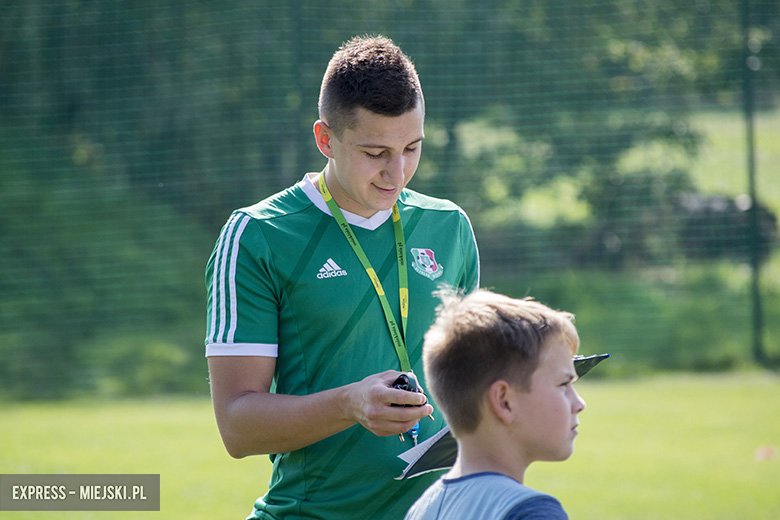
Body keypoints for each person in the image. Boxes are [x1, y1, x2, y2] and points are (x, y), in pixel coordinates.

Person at [205, 35, 480, 520]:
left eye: (412, 148)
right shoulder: (257, 235)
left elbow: (471, 381)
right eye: (376, 153)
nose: (397, 174)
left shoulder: (450, 226)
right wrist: (351, 404)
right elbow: (237, 427)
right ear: (326, 139)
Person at [404, 289, 588, 520]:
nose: (579, 403)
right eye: (563, 384)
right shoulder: (531, 513)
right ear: (504, 401)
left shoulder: (421, 510)